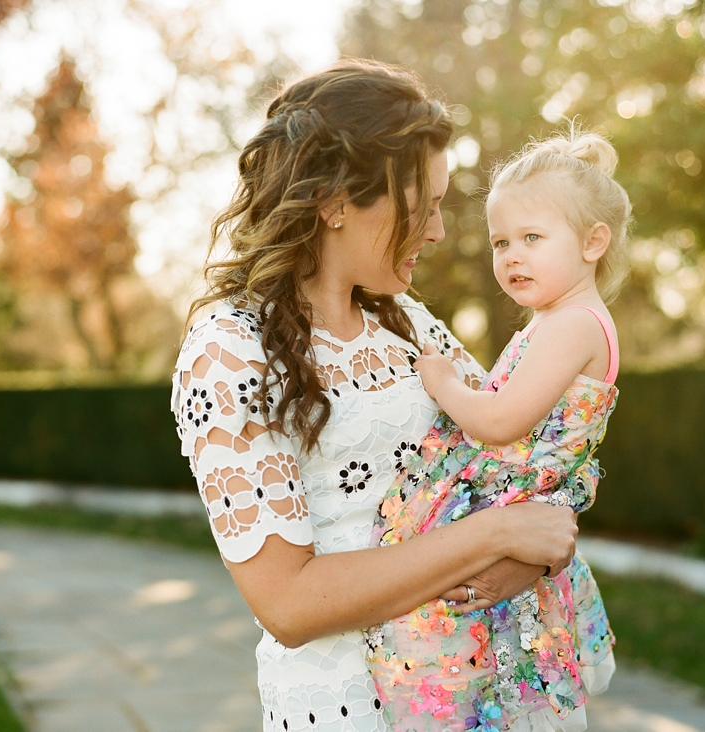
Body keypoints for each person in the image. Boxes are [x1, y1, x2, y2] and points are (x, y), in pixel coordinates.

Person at [170, 58, 580, 732]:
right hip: (348, 710)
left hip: (471, 695)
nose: (441, 231)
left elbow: (515, 457)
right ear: (334, 203)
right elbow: (290, 604)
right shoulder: (230, 349)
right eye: (425, 207)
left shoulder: (408, 321)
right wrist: (496, 535)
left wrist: (523, 559)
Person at [367, 128, 631, 732]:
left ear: (593, 242)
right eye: (500, 242)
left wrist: (443, 383)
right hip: (514, 502)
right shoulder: (558, 320)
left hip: (509, 502)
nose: (512, 256)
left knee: (482, 666)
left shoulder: (572, 326)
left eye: (533, 238)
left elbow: (499, 422)